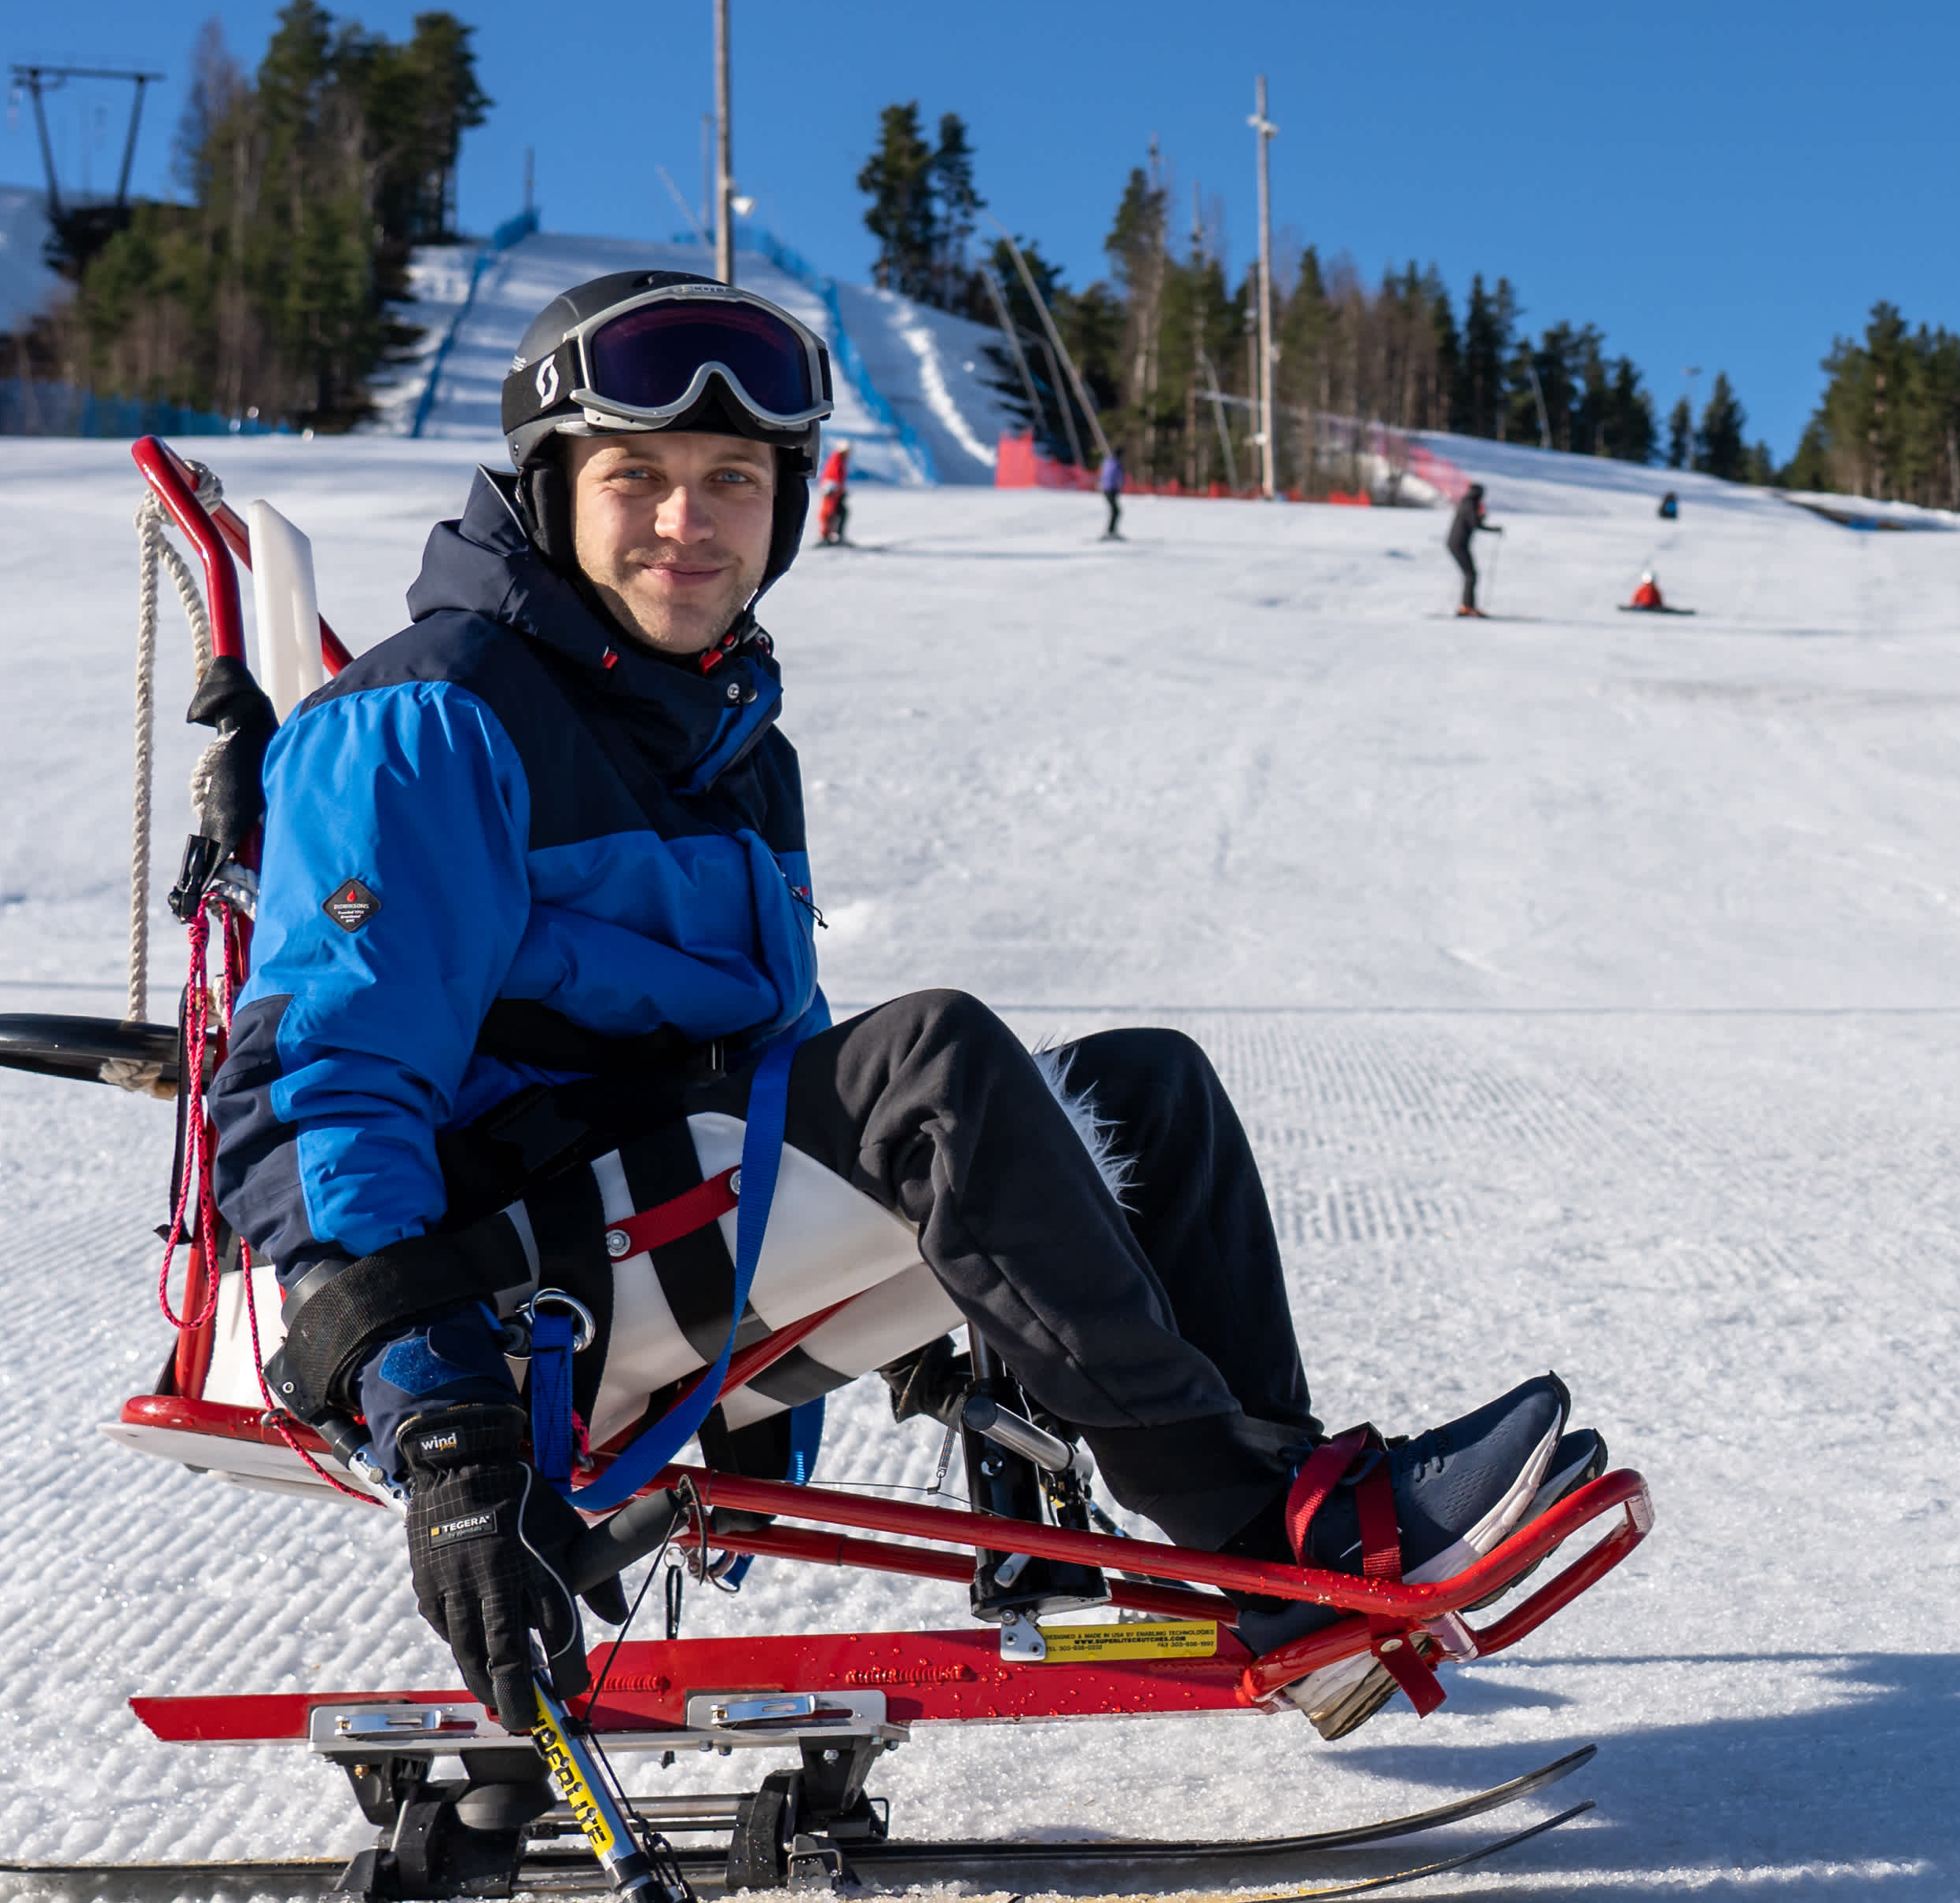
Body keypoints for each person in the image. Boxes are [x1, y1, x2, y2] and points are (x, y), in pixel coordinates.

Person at [211, 271, 1599, 1753]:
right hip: (511, 1312)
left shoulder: (728, 743)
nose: (689, 522)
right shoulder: (432, 717)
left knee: (1144, 1093)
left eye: (732, 480)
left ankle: (1288, 1552)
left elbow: (771, 1062)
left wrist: (1006, 1288)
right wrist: (434, 1409)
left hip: (669, 1240)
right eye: (638, 478)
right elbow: (317, 1083)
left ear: (787, 506)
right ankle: (1279, 1537)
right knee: (930, 1062)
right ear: (552, 492)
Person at [1447, 482, 1496, 615]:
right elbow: (1475, 523)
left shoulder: (1467, 502)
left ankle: (1468, 606)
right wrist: (1486, 521)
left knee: (1471, 575)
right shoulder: (1470, 503)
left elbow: (1473, 522)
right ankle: (1467, 607)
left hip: (1458, 544)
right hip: (1458, 544)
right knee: (1471, 575)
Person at [812, 441, 850, 546]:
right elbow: (832, 476)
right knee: (830, 513)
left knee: (839, 513)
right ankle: (826, 536)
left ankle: (833, 536)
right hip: (832, 493)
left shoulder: (840, 460)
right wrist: (835, 490)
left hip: (835, 493)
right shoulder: (836, 460)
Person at [1097, 448, 1125, 541]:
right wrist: (1120, 485)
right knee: (1116, 511)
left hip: (1106, 489)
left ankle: (1111, 531)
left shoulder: (1107, 462)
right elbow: (1119, 477)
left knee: (1115, 511)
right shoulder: (1116, 464)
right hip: (1111, 489)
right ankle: (1110, 532)